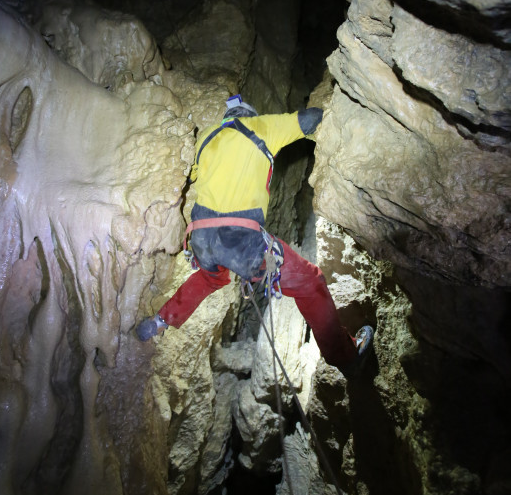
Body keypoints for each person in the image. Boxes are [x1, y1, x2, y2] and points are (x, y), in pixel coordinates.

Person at [136, 94, 374, 377]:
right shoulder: (260, 127)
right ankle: (346, 356)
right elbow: (309, 120)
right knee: (310, 282)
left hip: (201, 239)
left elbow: (196, 175)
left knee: (208, 278)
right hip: (241, 241)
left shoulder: (208, 139)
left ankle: (158, 322)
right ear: (248, 114)